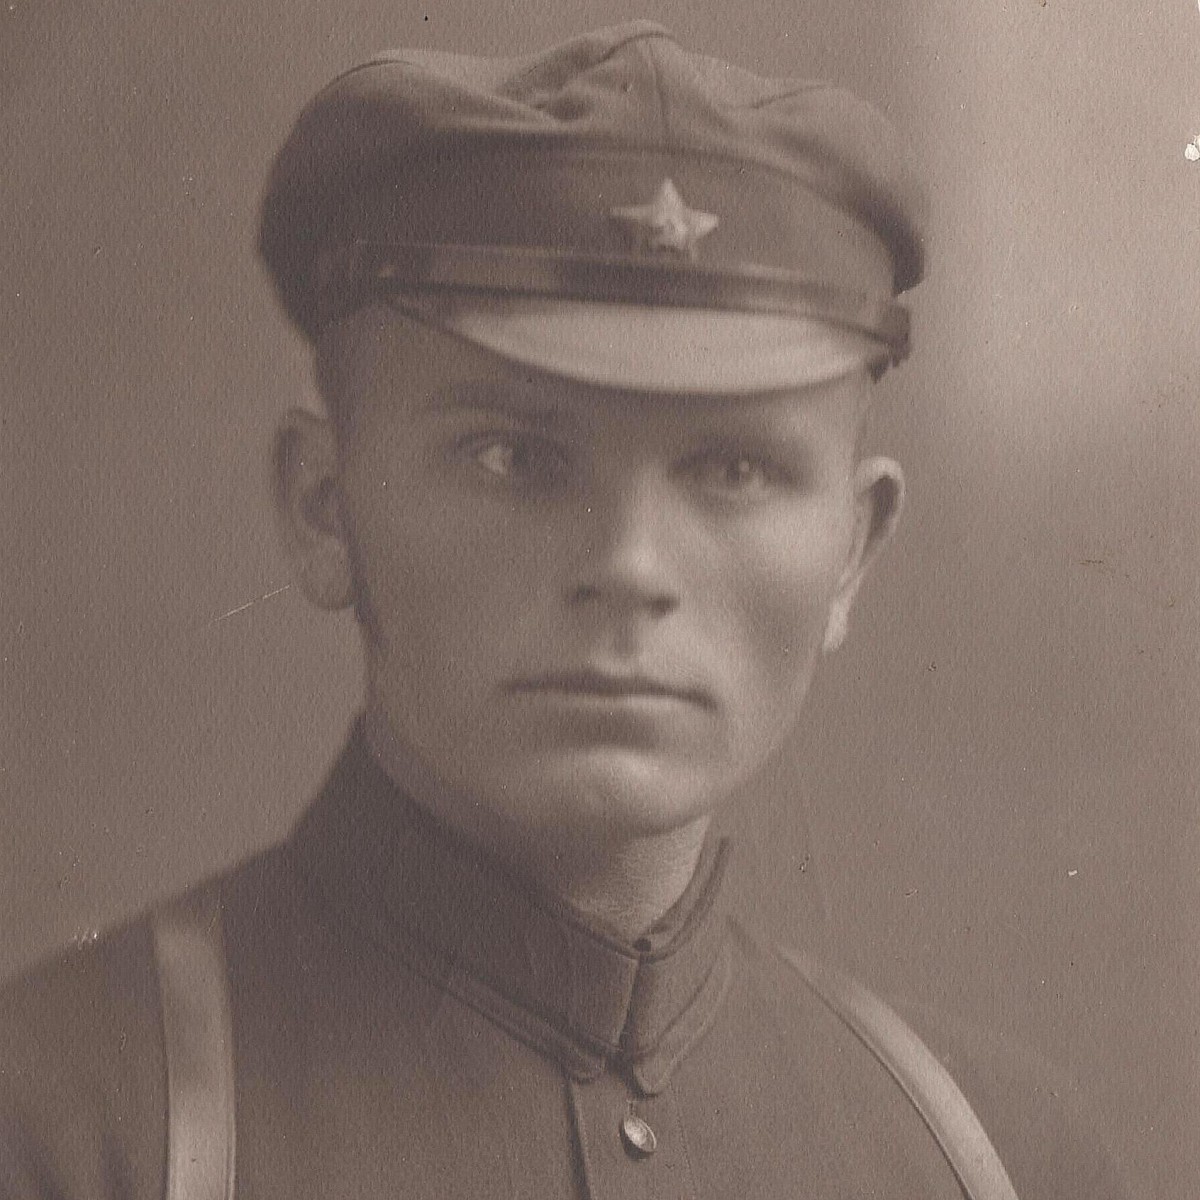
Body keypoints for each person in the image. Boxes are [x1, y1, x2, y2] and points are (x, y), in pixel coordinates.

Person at [0, 21, 1126, 1200]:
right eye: (515, 459)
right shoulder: (69, 1129)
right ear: (326, 505)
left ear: (852, 550)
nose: (631, 564)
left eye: (735, 470)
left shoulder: (998, 1158)